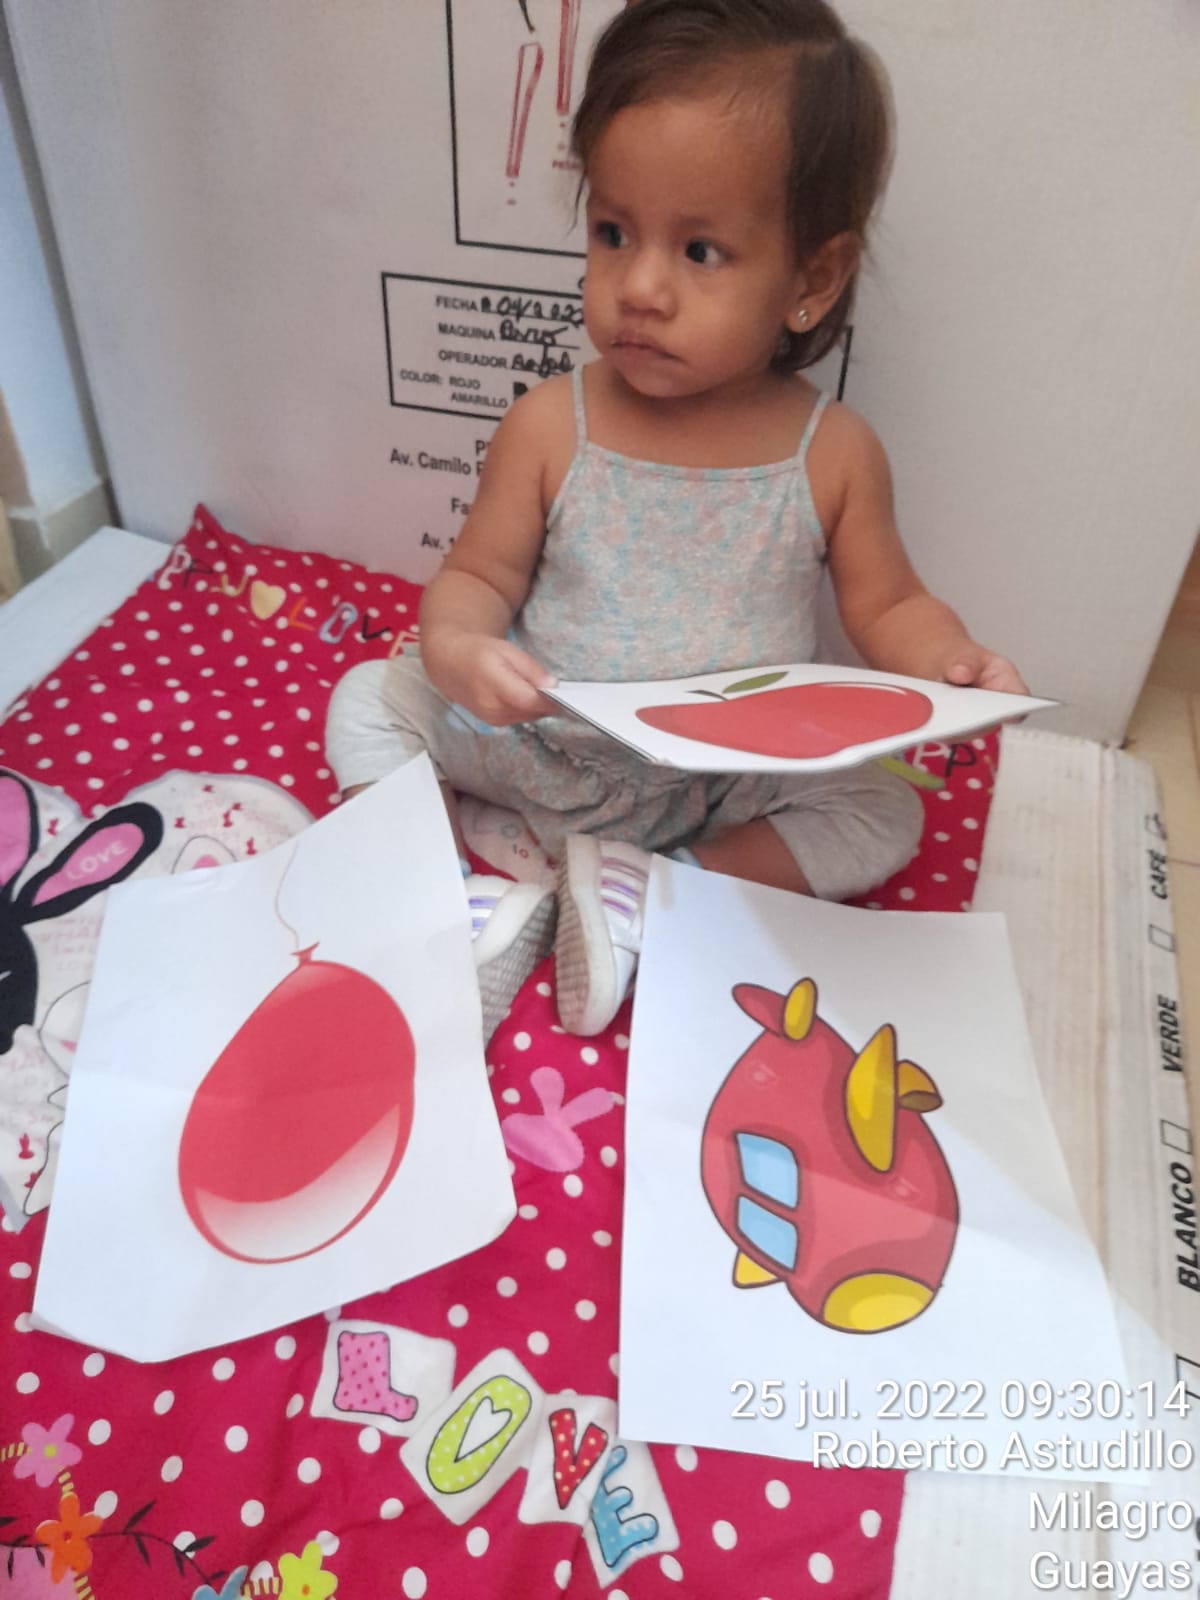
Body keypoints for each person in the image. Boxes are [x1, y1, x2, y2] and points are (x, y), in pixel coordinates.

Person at [326, 0, 1026, 1039]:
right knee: (368, 701)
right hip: (539, 745)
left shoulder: (831, 451)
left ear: (812, 278)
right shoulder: (548, 423)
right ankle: (445, 899)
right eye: (614, 233)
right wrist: (461, 647)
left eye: (700, 250)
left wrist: (949, 664)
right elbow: (475, 577)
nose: (640, 287)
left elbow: (889, 606)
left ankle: (646, 893)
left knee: (883, 809)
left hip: (716, 786)